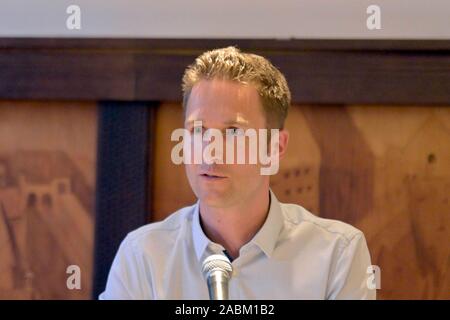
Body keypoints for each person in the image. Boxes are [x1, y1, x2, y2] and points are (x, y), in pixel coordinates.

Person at [99, 46, 376, 299]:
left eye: (233, 132)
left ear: (275, 148)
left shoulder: (337, 254)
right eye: (198, 130)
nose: (211, 151)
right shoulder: (143, 256)